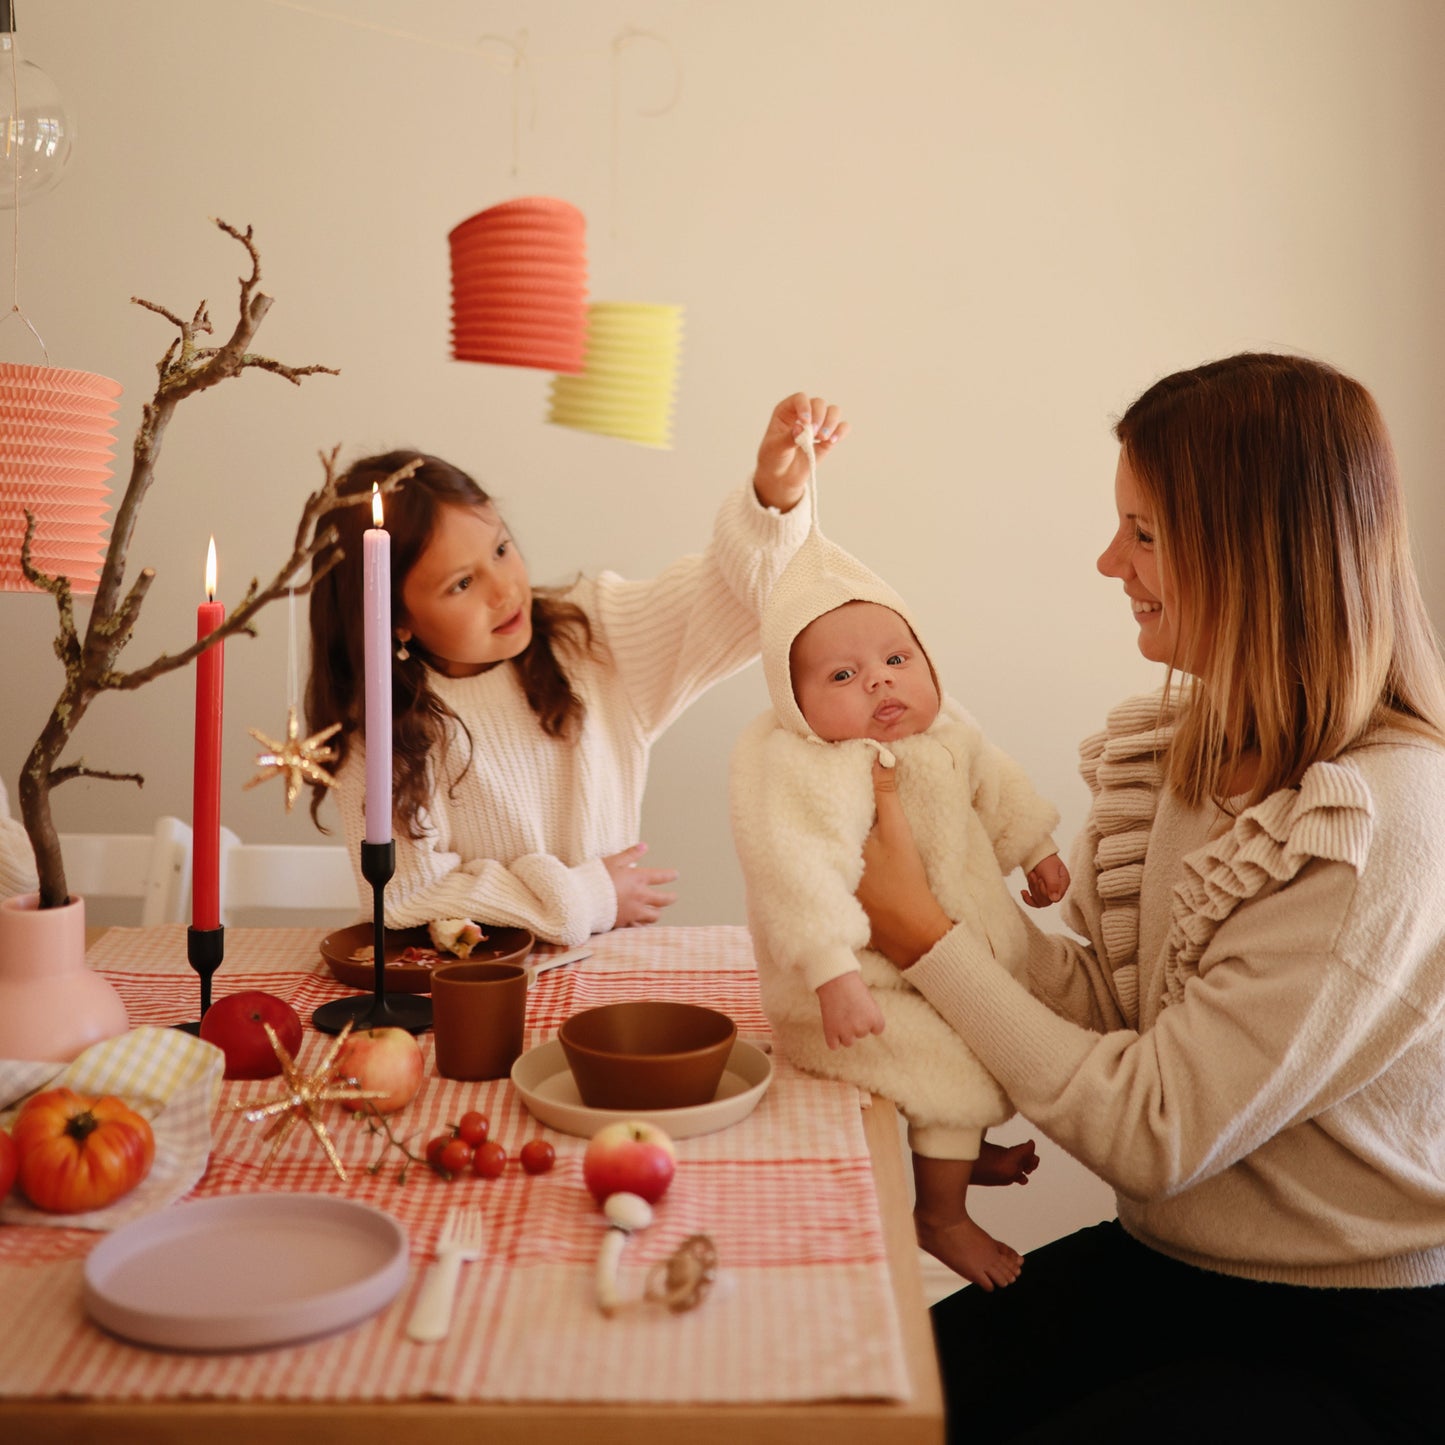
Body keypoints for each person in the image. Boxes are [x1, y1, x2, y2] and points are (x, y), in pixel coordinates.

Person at [856, 352, 1445, 1442]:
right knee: (889, 1402)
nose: (1106, 560)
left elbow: (1154, 1124)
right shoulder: (1202, 747)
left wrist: (931, 941)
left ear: (1253, 549)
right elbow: (1120, 996)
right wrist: (941, 893)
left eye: (1143, 533)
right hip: (1174, 1262)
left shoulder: (1373, 824)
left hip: (1358, 1324)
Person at [305, 393, 847, 946]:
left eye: (500, 549)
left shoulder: (593, 637)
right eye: (461, 584)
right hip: (472, 992)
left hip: (610, 971)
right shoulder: (382, 730)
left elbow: (742, 600)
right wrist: (586, 895)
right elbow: (407, 896)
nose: (504, 589)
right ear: (395, 620)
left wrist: (776, 493)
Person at [729, 501, 1067, 1288]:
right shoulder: (809, 769)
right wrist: (830, 971)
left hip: (940, 953)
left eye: (896, 658)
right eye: (842, 675)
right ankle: (939, 1215)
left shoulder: (946, 731)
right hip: (857, 984)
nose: (878, 680)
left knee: (991, 1038)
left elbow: (997, 784)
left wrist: (1036, 846)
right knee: (950, 1065)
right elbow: (794, 868)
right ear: (795, 702)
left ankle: (953, 1143)